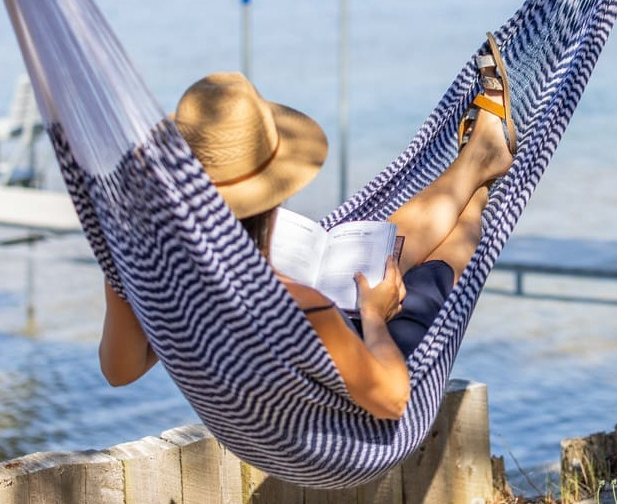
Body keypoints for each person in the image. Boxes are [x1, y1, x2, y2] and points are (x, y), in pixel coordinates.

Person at [99, 36, 516, 420]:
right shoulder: (292, 304)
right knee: (424, 280)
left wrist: (165, 313)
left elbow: (119, 370)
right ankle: (478, 189)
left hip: (272, 409)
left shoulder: (148, 275)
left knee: (377, 250)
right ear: (271, 197)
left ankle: (479, 159)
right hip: (344, 425)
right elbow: (393, 400)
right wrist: (373, 315)